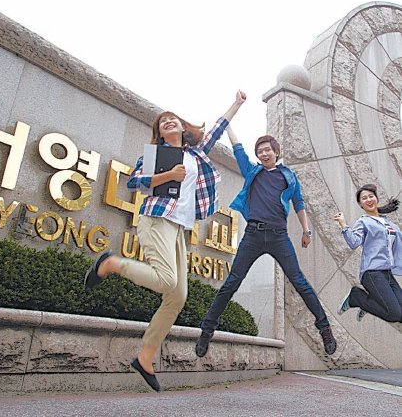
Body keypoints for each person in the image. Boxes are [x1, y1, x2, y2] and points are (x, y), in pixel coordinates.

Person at [84, 90, 247, 392]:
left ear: (183, 128)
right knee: (166, 279)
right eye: (163, 121)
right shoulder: (154, 157)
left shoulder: (195, 154)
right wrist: (168, 175)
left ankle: (145, 357)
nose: (168, 121)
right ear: (159, 132)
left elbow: (217, 129)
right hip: (157, 218)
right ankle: (111, 264)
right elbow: (134, 182)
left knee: (177, 296)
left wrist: (236, 103)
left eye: (173, 119)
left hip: (179, 228)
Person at [195, 127, 337, 357]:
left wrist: (306, 231)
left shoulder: (288, 176)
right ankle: (207, 329)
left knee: (299, 281)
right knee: (232, 282)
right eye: (260, 151)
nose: (263, 153)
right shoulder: (253, 172)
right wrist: (229, 127)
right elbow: (238, 150)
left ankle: (324, 327)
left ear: (276, 152)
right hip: (253, 235)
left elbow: (299, 203)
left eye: (267, 150)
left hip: (278, 236)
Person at [334, 184, 402, 324]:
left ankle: (370, 304)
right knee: (394, 314)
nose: (369, 200)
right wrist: (344, 225)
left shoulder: (388, 223)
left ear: (376, 198)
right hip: (372, 273)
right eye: (364, 198)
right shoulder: (364, 222)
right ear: (360, 204)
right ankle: (356, 297)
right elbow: (354, 242)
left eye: (371, 196)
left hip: (387, 273)